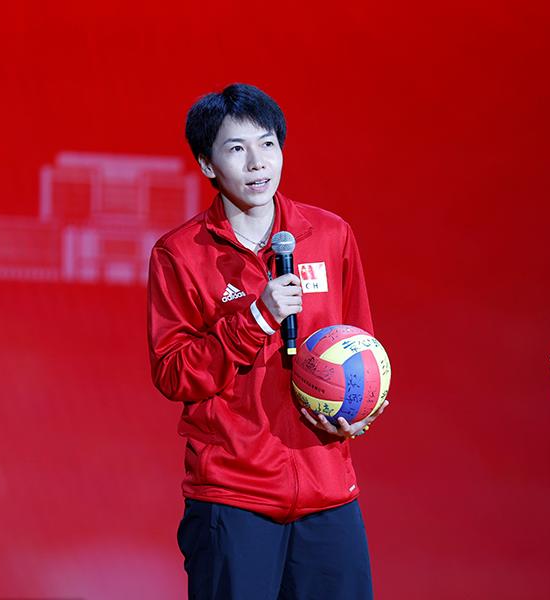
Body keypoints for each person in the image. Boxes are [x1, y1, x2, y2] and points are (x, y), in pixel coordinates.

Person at [147, 83, 387, 600]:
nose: (257, 163)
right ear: (207, 164)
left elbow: (360, 341)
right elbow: (173, 373)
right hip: (233, 495)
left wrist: (363, 407)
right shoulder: (180, 254)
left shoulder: (330, 234)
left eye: (268, 144)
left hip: (327, 491)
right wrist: (256, 318)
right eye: (237, 149)